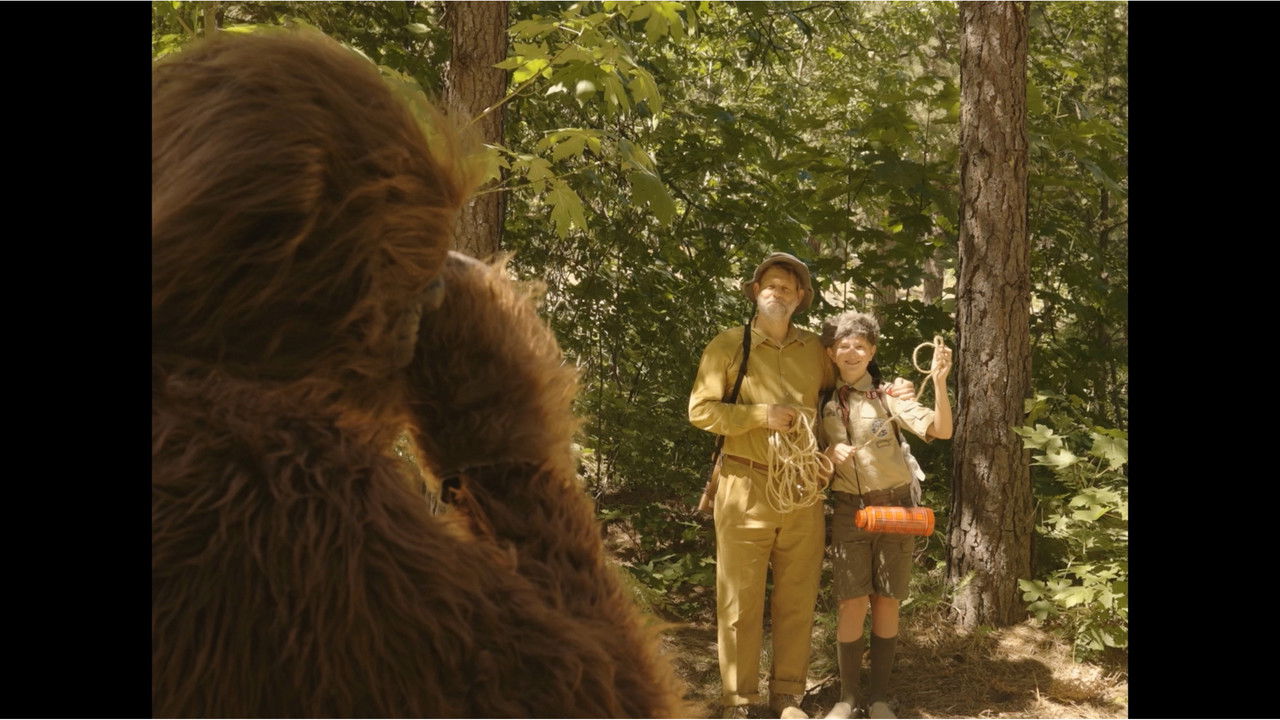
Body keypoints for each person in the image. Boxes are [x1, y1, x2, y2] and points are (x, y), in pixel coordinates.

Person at [689, 254, 915, 720]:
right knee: (739, 599)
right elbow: (700, 410)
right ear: (755, 291)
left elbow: (851, 384)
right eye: (770, 285)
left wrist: (896, 390)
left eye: (788, 288)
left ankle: (788, 696)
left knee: (797, 596)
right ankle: (739, 701)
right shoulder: (729, 345)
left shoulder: (815, 349)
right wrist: (760, 416)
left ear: (800, 298)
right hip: (744, 483)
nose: (778, 292)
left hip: (803, 490)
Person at [816, 311, 952, 720]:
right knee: (851, 603)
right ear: (831, 353)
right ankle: (847, 698)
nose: (851, 352)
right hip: (849, 510)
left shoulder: (889, 395)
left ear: (872, 351)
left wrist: (940, 382)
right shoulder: (820, 401)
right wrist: (828, 455)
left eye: (859, 345)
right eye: (843, 345)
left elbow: (942, 430)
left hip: (896, 507)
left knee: (887, 601)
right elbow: (807, 459)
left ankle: (877, 699)